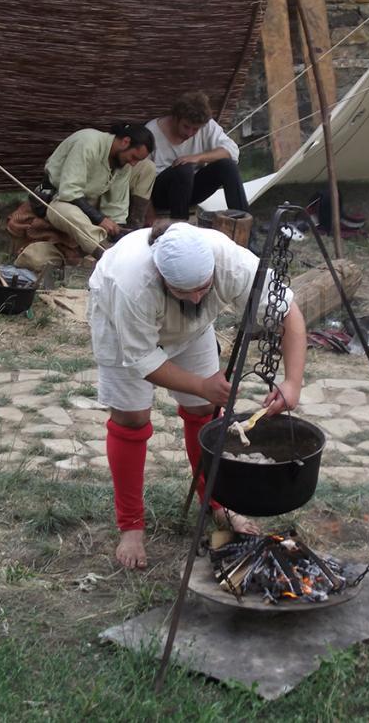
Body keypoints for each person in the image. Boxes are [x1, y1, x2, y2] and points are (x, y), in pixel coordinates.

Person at [88, 221, 307, 569]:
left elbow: (288, 315)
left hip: (191, 330)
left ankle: (216, 500)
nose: (194, 297)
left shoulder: (231, 262)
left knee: (205, 408)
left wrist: (292, 382)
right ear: (161, 275)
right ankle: (131, 525)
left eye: (202, 288)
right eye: (182, 291)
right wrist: (201, 382)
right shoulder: (130, 283)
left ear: (212, 272)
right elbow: (144, 360)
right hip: (120, 327)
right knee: (132, 419)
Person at [40, 123, 156, 259]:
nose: (133, 163)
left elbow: (116, 206)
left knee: (148, 167)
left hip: (91, 199)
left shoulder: (123, 162)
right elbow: (69, 191)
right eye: (134, 157)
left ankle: (124, 245)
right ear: (125, 142)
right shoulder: (88, 143)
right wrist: (100, 219)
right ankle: (107, 256)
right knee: (68, 213)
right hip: (59, 199)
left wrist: (117, 229)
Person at [145, 91, 249, 220]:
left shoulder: (207, 126)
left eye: (195, 129)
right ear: (175, 118)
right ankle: (180, 226)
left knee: (228, 166)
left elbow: (232, 151)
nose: (189, 133)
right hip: (161, 194)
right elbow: (139, 179)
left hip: (191, 191)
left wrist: (197, 157)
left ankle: (243, 222)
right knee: (184, 168)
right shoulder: (151, 131)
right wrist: (150, 216)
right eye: (186, 127)